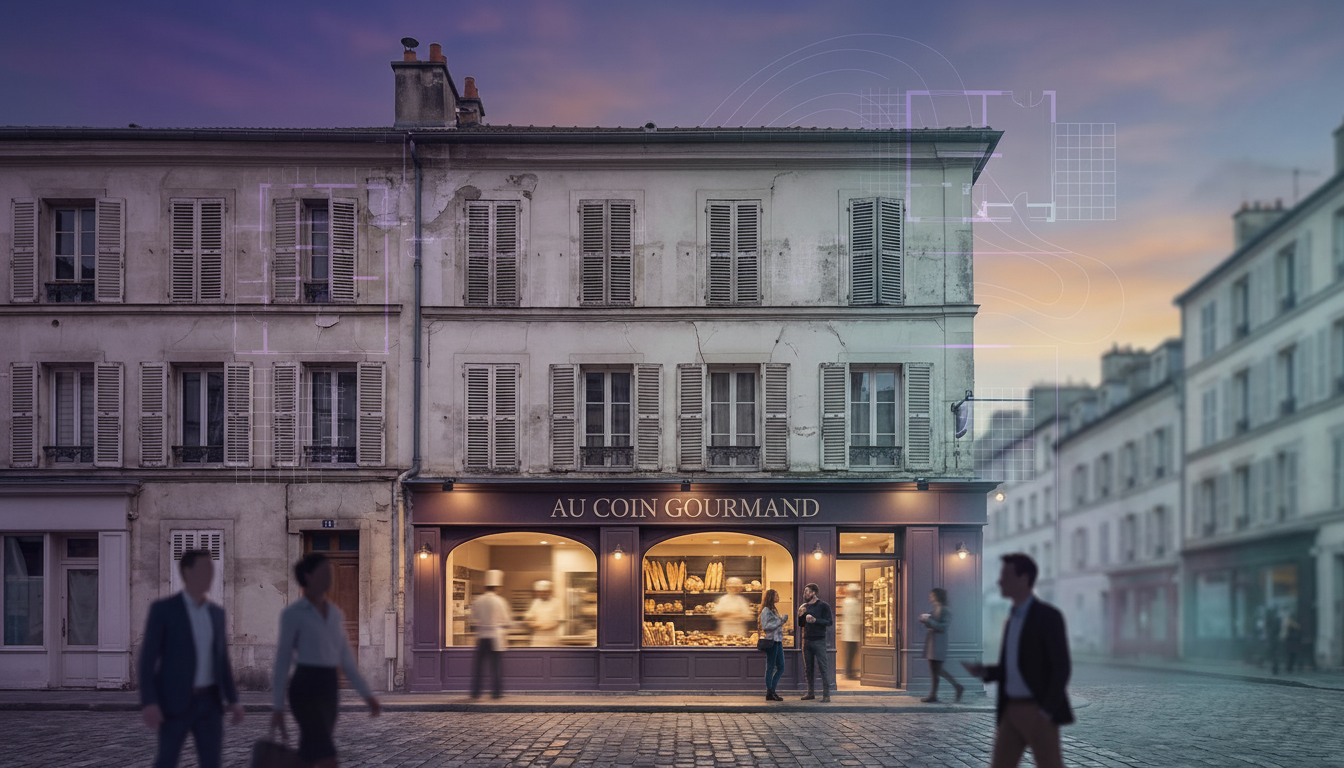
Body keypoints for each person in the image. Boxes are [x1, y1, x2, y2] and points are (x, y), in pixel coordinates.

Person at [271, 553, 381, 768]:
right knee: (325, 752)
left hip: (329, 687)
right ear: (307, 576)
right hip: (305, 686)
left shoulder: (335, 614)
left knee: (311, 749)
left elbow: (346, 659)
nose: (329, 577)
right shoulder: (293, 614)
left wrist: (367, 696)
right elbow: (282, 659)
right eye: (324, 572)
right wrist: (277, 706)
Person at [964, 553, 1072, 768]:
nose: (1000, 581)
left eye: (1005, 575)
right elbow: (1012, 667)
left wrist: (1046, 711)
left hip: (1037, 709)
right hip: (1011, 708)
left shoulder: (1048, 617)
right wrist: (985, 672)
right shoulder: (1012, 618)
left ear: (1023, 579)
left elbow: (1061, 668)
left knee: (1050, 764)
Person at [139, 549, 244, 768]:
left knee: (211, 763)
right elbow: (147, 659)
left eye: (211, 569)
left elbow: (222, 660)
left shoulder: (216, 614)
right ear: (187, 572)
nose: (210, 575)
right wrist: (149, 702)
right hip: (175, 702)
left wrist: (233, 700)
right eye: (204, 569)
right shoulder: (164, 610)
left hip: (210, 704)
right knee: (167, 761)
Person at [919, 587, 965, 703]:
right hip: (933, 641)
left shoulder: (945, 610)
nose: (931, 597)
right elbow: (933, 625)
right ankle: (935, 694)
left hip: (939, 642)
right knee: (935, 670)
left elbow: (942, 627)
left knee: (937, 670)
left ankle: (956, 687)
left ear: (938, 596)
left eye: (933, 595)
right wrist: (925, 621)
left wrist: (928, 620)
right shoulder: (936, 609)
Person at [470, 569, 511, 698]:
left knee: (479, 667)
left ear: (485, 586)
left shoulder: (477, 600)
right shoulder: (500, 601)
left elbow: (472, 620)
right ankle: (496, 693)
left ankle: (476, 692)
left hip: (482, 637)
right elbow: (506, 620)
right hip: (495, 637)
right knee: (496, 667)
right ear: (497, 587)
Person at [797, 582, 833, 702]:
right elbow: (801, 624)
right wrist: (800, 615)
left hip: (819, 641)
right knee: (808, 668)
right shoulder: (804, 606)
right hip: (806, 641)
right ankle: (810, 693)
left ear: (814, 593)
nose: (805, 594)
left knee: (823, 667)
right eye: (804, 592)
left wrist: (815, 620)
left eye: (807, 591)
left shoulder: (824, 606)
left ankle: (826, 695)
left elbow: (829, 622)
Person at [759, 588, 786, 701]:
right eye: (776, 595)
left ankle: (771, 690)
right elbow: (766, 627)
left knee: (781, 666)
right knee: (770, 667)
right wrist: (781, 621)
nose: (778, 597)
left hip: (778, 641)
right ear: (770, 597)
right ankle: (770, 692)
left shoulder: (774, 609)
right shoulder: (766, 610)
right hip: (771, 642)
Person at [524, 580, 563, 646]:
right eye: (540, 592)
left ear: (550, 592)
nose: (542, 594)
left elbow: (559, 621)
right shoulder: (535, 602)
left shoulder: (557, 602)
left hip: (551, 638)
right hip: (538, 637)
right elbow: (528, 617)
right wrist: (530, 622)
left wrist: (544, 627)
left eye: (544, 592)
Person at [840, 583, 862, 680]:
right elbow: (854, 616)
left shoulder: (851, 601)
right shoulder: (850, 602)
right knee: (850, 652)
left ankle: (849, 672)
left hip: (852, 631)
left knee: (852, 652)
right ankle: (849, 673)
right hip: (851, 631)